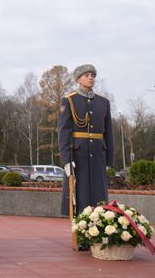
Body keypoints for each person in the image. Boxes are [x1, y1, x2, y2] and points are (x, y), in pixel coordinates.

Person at [59, 64, 114, 221]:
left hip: (98, 155)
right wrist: (66, 160)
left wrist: (109, 160)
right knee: (80, 195)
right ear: (78, 79)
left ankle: (99, 233)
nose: (90, 77)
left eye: (92, 75)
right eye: (86, 75)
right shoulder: (69, 100)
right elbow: (64, 132)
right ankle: (82, 235)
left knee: (99, 196)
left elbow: (108, 133)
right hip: (78, 155)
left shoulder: (104, 103)